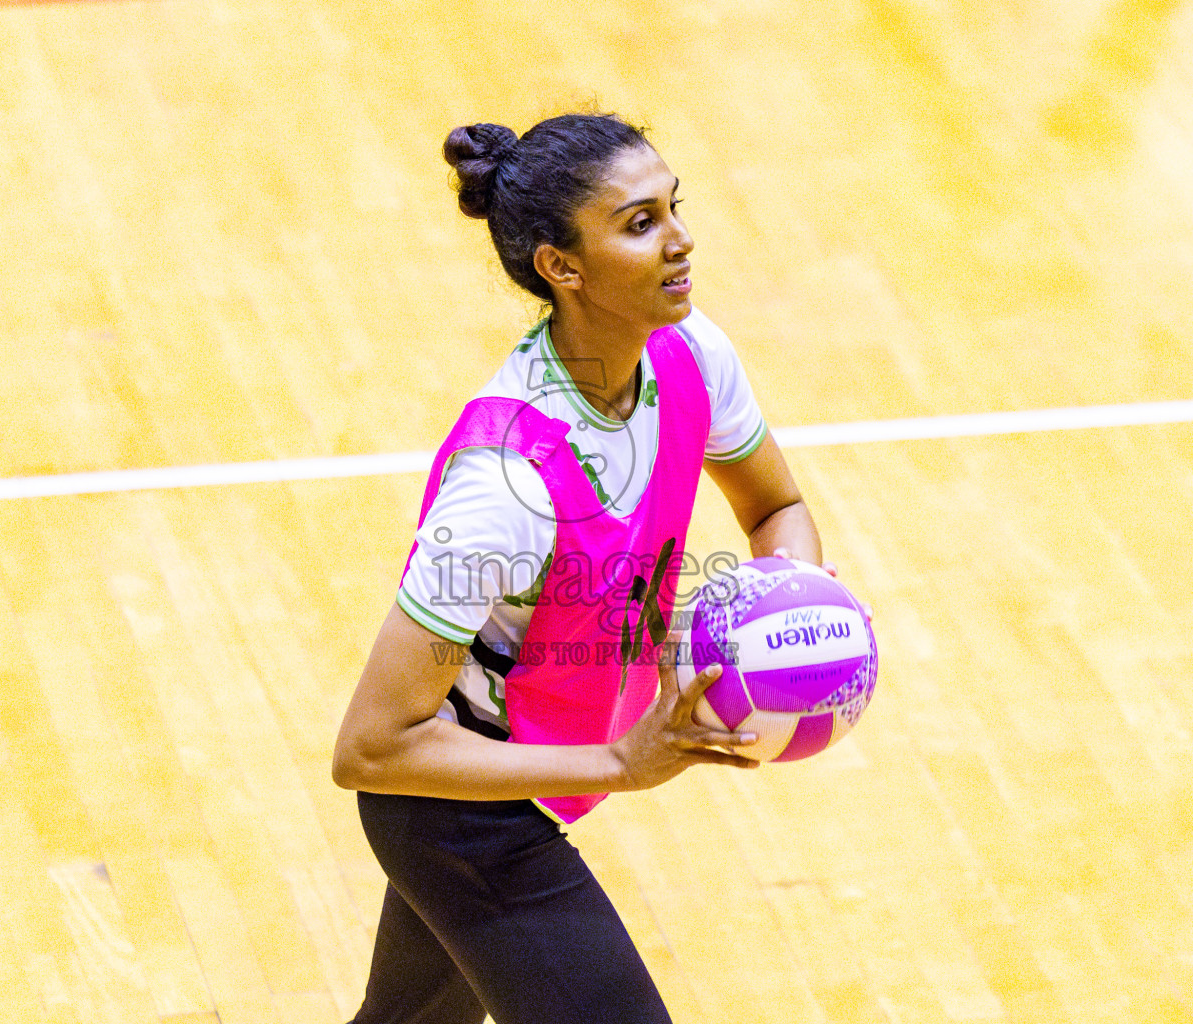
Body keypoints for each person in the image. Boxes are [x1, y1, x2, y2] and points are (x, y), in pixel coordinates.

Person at [332, 112, 837, 1024]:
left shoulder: (690, 354)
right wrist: (618, 760)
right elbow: (372, 745)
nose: (681, 240)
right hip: (455, 809)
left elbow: (775, 509)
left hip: (522, 767)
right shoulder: (505, 486)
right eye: (640, 223)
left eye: (673, 208)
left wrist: (784, 619)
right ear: (561, 268)